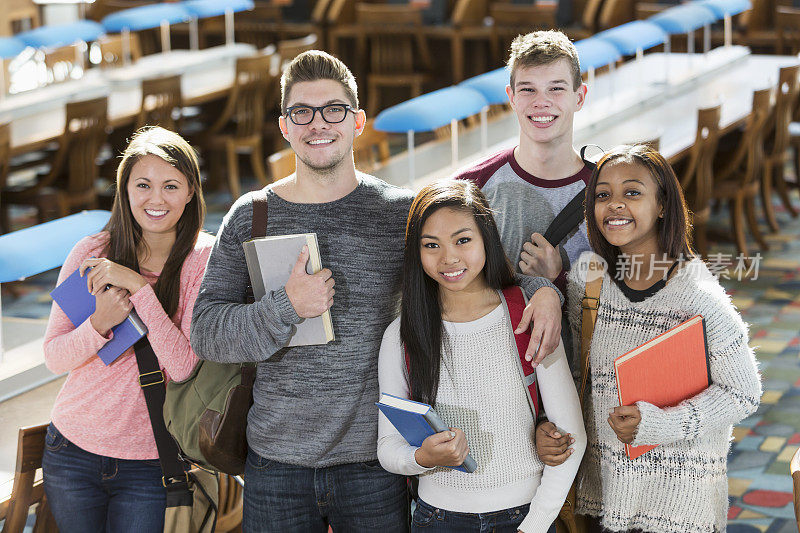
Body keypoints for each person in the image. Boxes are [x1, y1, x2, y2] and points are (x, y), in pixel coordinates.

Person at [189, 50, 564, 532]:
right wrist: (286, 307)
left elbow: (480, 268)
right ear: (285, 125)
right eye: (301, 112)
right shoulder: (251, 214)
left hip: (374, 463)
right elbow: (205, 331)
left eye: (334, 110)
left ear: (358, 121)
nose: (317, 123)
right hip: (274, 462)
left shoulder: (399, 212)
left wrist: (543, 291)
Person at [565, 145, 761, 532]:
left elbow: (743, 393)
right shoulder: (587, 284)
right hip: (604, 491)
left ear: (663, 206)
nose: (614, 205)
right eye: (602, 195)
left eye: (632, 193)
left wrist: (661, 425)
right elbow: (576, 375)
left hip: (677, 501)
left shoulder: (698, 297)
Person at [377, 180, 586, 533]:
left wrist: (534, 524)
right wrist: (422, 458)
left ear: (486, 238)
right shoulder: (401, 335)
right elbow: (388, 447)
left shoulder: (529, 316)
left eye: (463, 240)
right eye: (431, 245)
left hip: (526, 515)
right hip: (438, 520)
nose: (449, 258)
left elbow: (571, 437)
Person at [41, 126, 213, 532]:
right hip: (71, 450)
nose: (156, 199)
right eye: (143, 185)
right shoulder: (91, 252)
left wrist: (138, 288)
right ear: (125, 190)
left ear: (190, 191)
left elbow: (184, 365)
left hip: (150, 462)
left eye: (171, 186)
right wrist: (100, 322)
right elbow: (53, 357)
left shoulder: (202, 262)